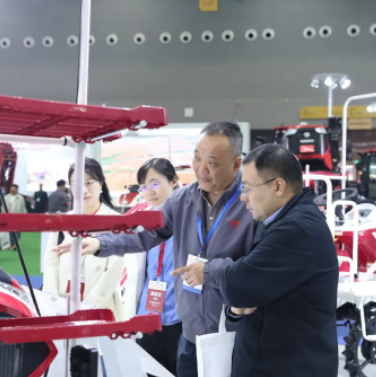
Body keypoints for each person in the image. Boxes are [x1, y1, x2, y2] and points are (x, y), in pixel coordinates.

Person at [52, 120, 255, 377]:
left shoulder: (251, 202)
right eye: (196, 158)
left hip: (236, 336)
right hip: (190, 336)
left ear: (236, 164)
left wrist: (211, 271)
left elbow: (261, 265)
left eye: (212, 163)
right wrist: (101, 242)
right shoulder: (183, 200)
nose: (201, 169)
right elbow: (144, 232)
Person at [220, 144, 339, 377]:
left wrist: (229, 277)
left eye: (248, 188)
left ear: (278, 186)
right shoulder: (278, 220)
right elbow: (245, 289)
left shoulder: (296, 229)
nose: (243, 197)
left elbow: (235, 285)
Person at [43, 158, 126, 320]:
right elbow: (51, 264)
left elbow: (114, 271)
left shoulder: (116, 222)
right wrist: (52, 302)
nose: (83, 190)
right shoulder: (61, 221)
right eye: (76, 184)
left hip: (100, 309)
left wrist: (90, 307)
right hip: (62, 306)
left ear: (101, 184)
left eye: (90, 183)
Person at [133, 158, 182, 376]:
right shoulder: (141, 222)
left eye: (154, 183)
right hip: (147, 318)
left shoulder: (191, 219)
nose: (149, 192)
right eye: (143, 187)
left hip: (179, 318)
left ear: (174, 181)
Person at [1, 184, 27, 250]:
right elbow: (3, 207)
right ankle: (11, 244)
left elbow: (23, 208)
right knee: (10, 232)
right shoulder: (6, 197)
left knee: (17, 231)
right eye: (11, 188)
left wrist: (24, 216)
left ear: (17, 189)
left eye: (14, 188)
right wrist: (3, 215)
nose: (12, 189)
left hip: (18, 217)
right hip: (8, 217)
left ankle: (15, 244)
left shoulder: (20, 198)